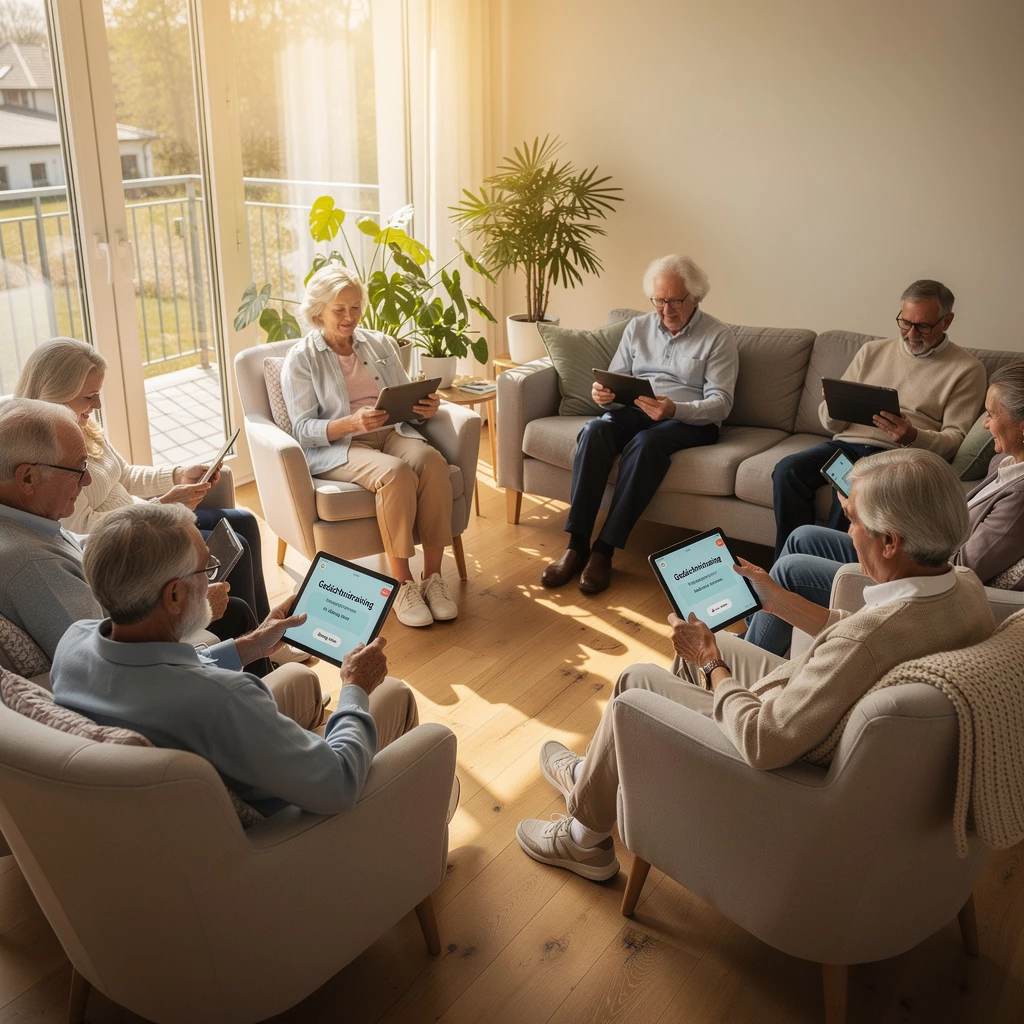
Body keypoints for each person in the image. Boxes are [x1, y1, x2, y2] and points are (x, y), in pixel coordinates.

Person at [517, 448, 994, 881]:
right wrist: (779, 600)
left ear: (890, 542)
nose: (848, 534)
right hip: (817, 703)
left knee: (635, 680)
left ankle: (584, 840)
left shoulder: (864, 643)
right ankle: (597, 778)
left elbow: (766, 741)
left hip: (779, 752)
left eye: (852, 521)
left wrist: (710, 662)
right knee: (718, 641)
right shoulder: (964, 589)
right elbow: (865, 639)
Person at [50, 502, 412, 816]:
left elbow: (160, 671)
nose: (213, 584)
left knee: (301, 680)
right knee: (394, 695)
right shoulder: (224, 699)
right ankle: (418, 814)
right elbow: (339, 783)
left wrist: (249, 646)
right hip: (284, 834)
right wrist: (355, 687)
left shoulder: (72, 643)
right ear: (173, 596)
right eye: (206, 571)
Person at [0, 399, 289, 679]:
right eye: (79, 469)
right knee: (237, 614)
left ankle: (264, 666)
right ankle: (265, 690)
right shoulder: (33, 565)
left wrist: (159, 513)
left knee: (238, 605)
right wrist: (184, 609)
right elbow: (109, 669)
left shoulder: (27, 522)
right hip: (149, 683)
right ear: (27, 478)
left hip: (135, 630)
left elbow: (84, 545)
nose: (86, 481)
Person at [749, 363, 1024, 655]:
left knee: (790, 571)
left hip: (917, 574)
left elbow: (960, 568)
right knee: (802, 536)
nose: (984, 425)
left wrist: (882, 529)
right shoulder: (1006, 463)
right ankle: (760, 631)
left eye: (992, 415)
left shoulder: (1019, 497)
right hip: (914, 550)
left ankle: (747, 660)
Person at [15, 338, 273, 626]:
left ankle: (267, 628)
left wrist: (178, 475)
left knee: (244, 522)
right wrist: (161, 507)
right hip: (129, 541)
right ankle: (245, 636)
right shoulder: (49, 454)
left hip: (144, 516)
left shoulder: (84, 425)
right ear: (56, 394)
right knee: (235, 546)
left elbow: (124, 473)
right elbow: (82, 530)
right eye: (89, 397)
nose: (98, 404)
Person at [541, 255, 739, 595]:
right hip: (636, 409)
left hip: (690, 419)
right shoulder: (638, 328)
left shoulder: (718, 336)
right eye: (660, 300)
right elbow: (618, 382)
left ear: (696, 298)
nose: (666, 310)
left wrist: (675, 408)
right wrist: (605, 395)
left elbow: (721, 402)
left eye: (675, 301)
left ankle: (604, 549)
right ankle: (576, 545)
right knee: (594, 430)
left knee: (646, 445)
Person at [281, 264, 457, 629]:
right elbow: (301, 429)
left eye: (355, 307)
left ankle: (434, 579)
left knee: (433, 462)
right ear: (318, 311)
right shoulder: (301, 358)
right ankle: (402, 584)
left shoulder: (378, 344)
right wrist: (351, 422)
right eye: (339, 310)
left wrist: (425, 407)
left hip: (393, 432)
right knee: (395, 474)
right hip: (342, 445)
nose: (350, 317)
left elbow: (405, 394)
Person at [771, 279, 986, 559]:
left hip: (896, 456)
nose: (911, 333)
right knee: (788, 470)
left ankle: (831, 578)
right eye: (905, 322)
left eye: (923, 326)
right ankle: (787, 564)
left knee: (852, 494)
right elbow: (830, 425)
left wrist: (913, 436)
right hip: (846, 446)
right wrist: (834, 405)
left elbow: (955, 439)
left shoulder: (968, 370)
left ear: (947, 321)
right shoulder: (871, 351)